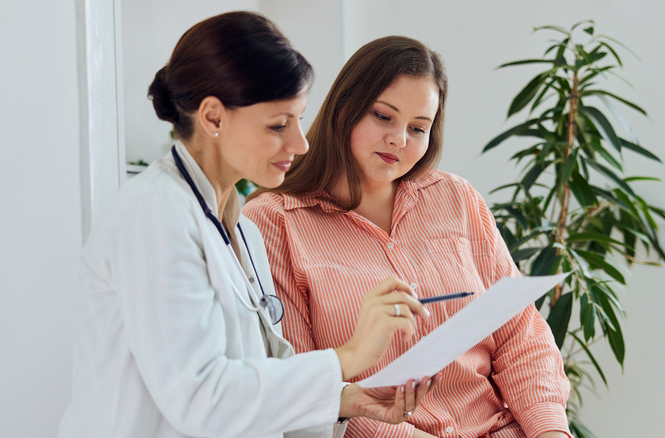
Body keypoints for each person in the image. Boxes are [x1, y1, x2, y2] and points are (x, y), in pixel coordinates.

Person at [57, 13, 443, 438]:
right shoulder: (153, 215)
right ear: (214, 118)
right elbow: (202, 399)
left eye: (298, 119)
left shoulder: (244, 232)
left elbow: (263, 378)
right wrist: (349, 356)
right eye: (279, 125)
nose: (300, 144)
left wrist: (345, 398)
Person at [243, 36, 572, 438]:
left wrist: (550, 430)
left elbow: (521, 337)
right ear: (344, 107)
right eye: (384, 117)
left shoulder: (456, 198)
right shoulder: (273, 222)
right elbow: (307, 385)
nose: (399, 140)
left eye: (418, 128)